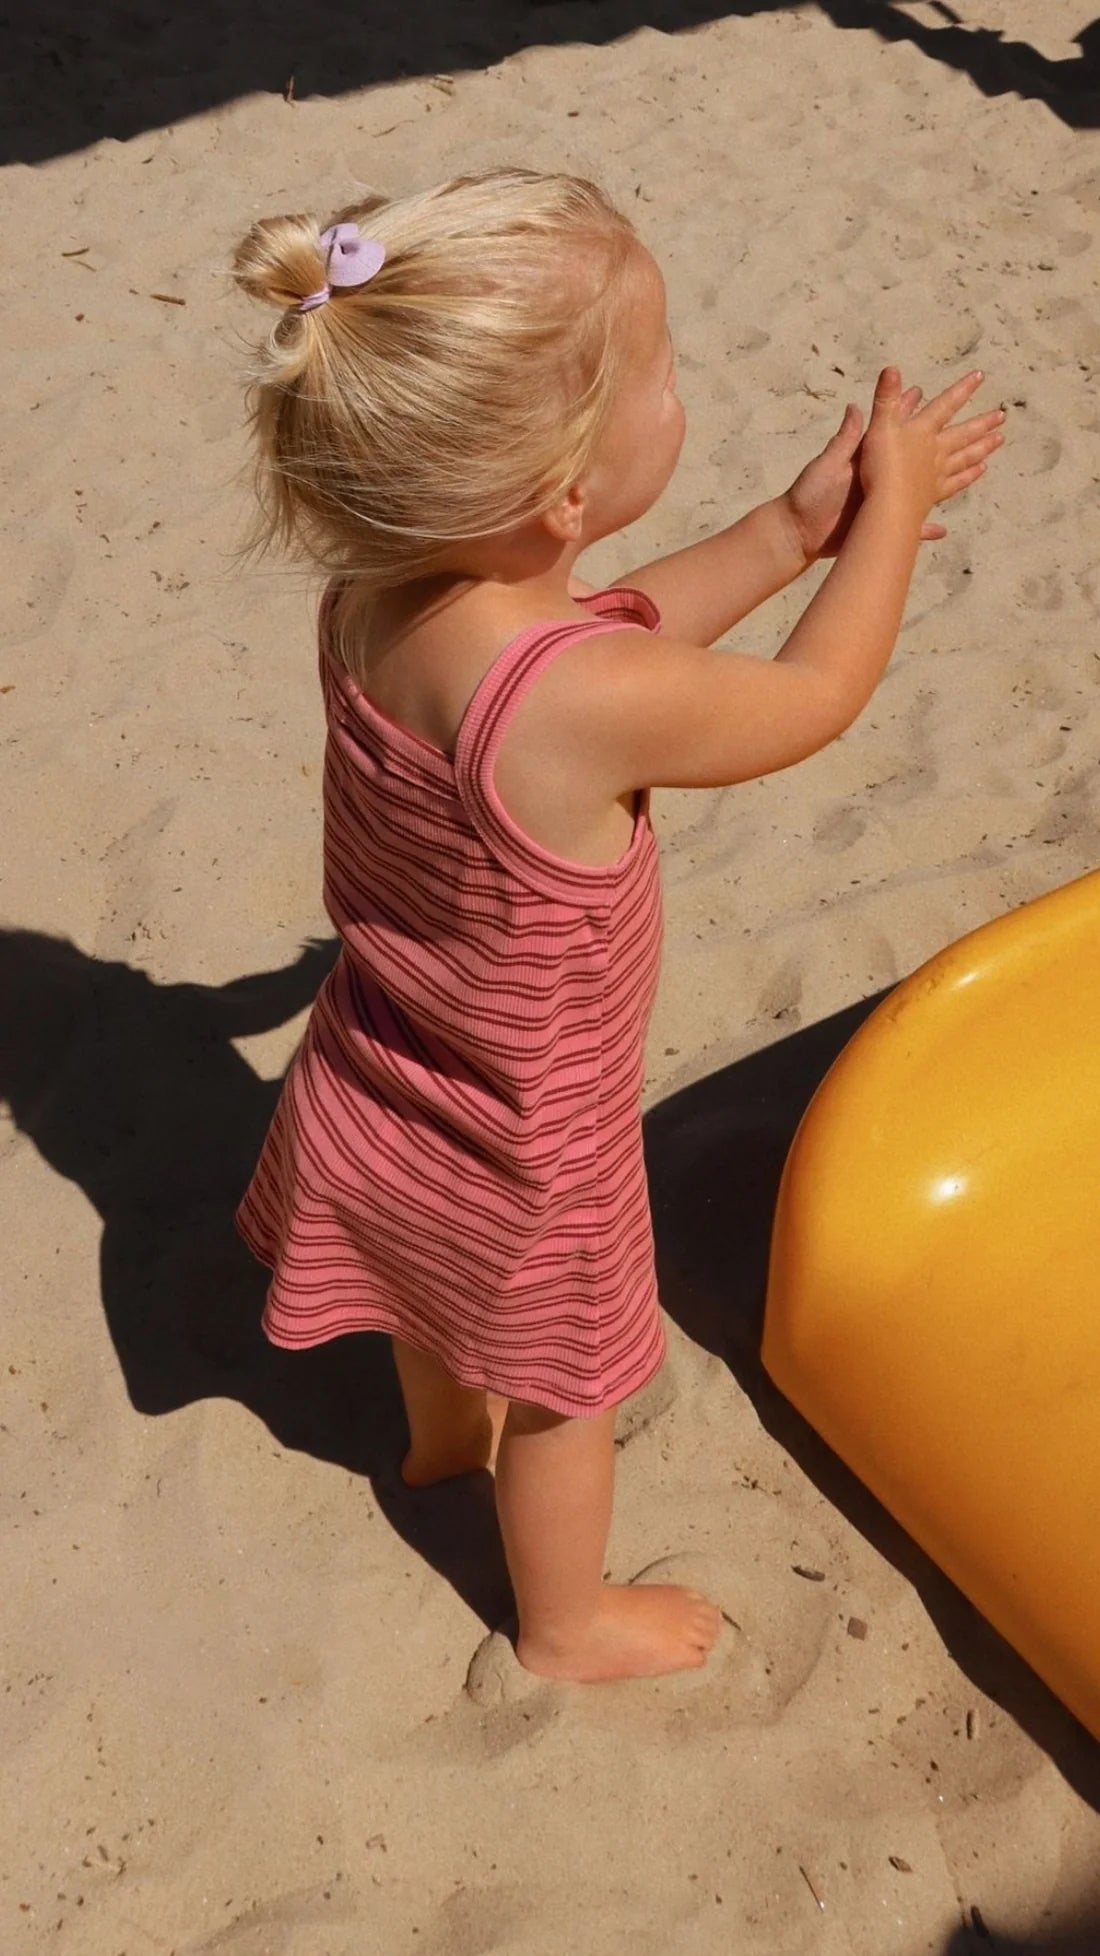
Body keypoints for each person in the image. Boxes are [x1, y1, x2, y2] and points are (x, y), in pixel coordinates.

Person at [230, 169, 1004, 1684]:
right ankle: (567, 1624)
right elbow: (813, 699)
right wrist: (890, 523)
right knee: (564, 1387)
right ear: (568, 495)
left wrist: (788, 532)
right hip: (536, 1137)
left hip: (383, 1074)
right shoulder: (577, 702)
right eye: (662, 374)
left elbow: (602, 628)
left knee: (433, 1311)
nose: (677, 392)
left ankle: (436, 1452)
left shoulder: (378, 598)